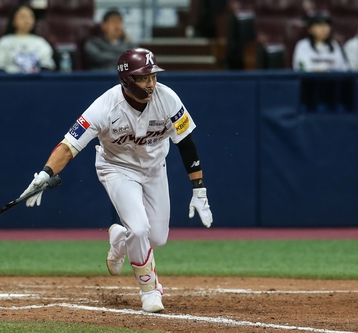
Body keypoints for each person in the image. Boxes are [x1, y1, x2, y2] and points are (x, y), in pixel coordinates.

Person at [20, 48, 213, 313]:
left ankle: (119, 240)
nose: (151, 83)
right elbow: (69, 146)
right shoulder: (104, 107)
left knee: (156, 238)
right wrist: (45, 174)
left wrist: (199, 189)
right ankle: (150, 290)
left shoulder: (168, 99)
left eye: (153, 76)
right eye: (144, 78)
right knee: (139, 228)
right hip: (117, 168)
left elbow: (186, 144)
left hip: (155, 169)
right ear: (127, 80)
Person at [0, 4, 56, 73]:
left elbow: (47, 66)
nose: (27, 20)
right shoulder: (5, 41)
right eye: (22, 16)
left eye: (30, 16)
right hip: (11, 81)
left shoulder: (41, 42)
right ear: (13, 21)